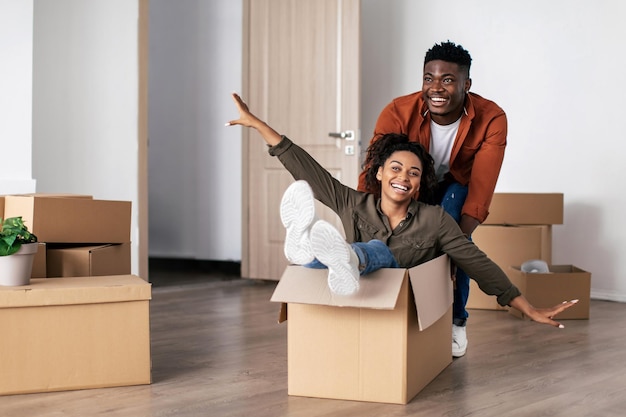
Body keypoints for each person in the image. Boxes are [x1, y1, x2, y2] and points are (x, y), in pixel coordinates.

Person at [226, 92, 577, 333]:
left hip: (398, 300)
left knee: (378, 252)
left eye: (413, 173)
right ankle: (308, 252)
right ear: (379, 172)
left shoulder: (434, 219)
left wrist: (525, 306)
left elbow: (474, 260)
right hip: (351, 294)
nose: (403, 178)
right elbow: (307, 170)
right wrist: (258, 124)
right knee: (340, 255)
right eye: (395, 168)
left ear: (420, 183)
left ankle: (334, 254)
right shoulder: (353, 203)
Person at [358, 41, 506, 357]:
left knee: (453, 234)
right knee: (393, 239)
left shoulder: (491, 118)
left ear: (467, 84)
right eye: (429, 78)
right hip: (413, 184)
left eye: (448, 80)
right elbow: (374, 175)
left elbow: (481, 190)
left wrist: (455, 248)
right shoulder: (397, 112)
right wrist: (366, 227)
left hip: (458, 183)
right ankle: (395, 311)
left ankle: (456, 321)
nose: (436, 88)